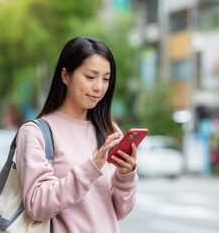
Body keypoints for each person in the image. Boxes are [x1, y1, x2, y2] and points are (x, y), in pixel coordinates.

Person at [16, 36, 138, 232]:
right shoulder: (36, 132)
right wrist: (91, 168)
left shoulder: (109, 129)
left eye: (106, 79)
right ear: (65, 76)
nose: (99, 87)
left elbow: (121, 211)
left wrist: (126, 175)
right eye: (90, 77)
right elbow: (37, 205)